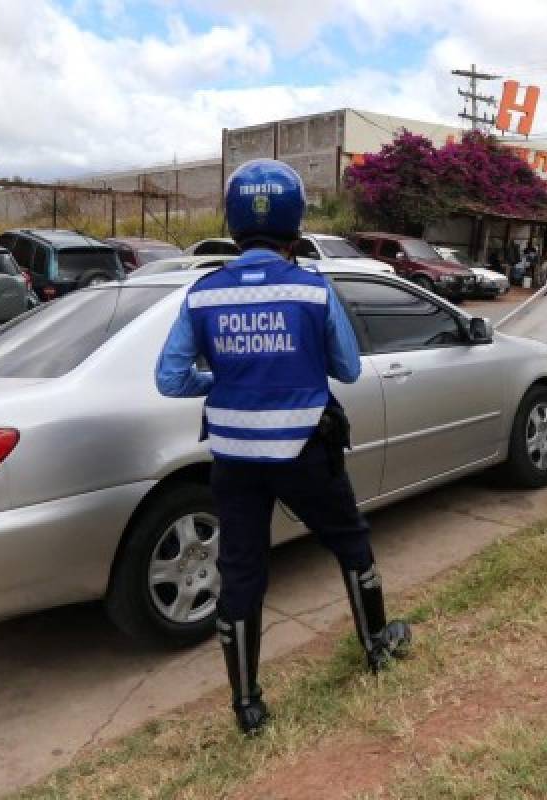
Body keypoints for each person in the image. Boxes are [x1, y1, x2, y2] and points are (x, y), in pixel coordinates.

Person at [155, 158, 412, 737]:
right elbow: (346, 370)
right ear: (296, 225)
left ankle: (247, 705)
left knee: (241, 571)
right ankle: (377, 647)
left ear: (232, 222)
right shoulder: (313, 289)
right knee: (350, 543)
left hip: (233, 460)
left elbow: (170, 379)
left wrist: (222, 380)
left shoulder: (203, 294)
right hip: (306, 453)